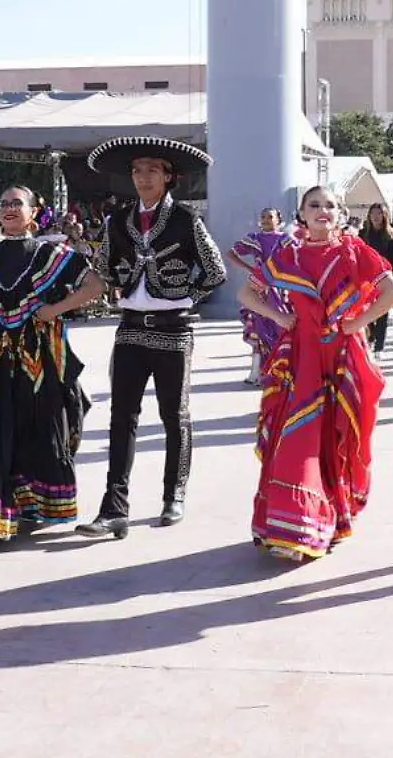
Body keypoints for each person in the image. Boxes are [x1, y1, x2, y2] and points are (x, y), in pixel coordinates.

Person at [0, 187, 106, 541]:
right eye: (4, 204)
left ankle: (32, 505)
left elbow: (94, 285)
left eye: (17, 203)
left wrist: (54, 310)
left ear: (34, 211)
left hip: (38, 358)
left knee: (37, 426)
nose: (10, 209)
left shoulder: (52, 254)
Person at [240, 186, 393, 562]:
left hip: (343, 356)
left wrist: (357, 322)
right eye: (314, 205)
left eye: (329, 205)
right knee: (299, 434)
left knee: (337, 436)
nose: (322, 210)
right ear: (301, 213)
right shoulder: (287, 254)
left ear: (340, 212)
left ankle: (327, 517)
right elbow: (249, 294)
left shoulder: (354, 251)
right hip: (302, 356)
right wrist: (280, 317)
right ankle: (295, 523)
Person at [77, 136, 225, 538]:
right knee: (120, 418)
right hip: (129, 327)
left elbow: (216, 271)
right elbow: (103, 267)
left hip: (173, 329)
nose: (143, 178)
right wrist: (102, 283)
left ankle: (173, 494)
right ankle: (114, 508)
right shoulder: (118, 220)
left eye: (153, 170)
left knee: (174, 417)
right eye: (137, 170)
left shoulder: (187, 220)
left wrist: (187, 298)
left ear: (168, 177)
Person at [230, 208, 292, 382]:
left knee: (279, 327)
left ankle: (278, 370)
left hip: (279, 289)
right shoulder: (254, 238)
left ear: (278, 220)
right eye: (263, 216)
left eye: (270, 217)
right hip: (258, 288)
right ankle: (257, 372)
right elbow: (231, 253)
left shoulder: (285, 240)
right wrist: (250, 269)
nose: (266, 220)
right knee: (258, 327)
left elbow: (298, 257)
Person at [357, 204, 393, 356]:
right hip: (365, 280)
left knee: (382, 312)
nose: (376, 217)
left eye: (379, 213)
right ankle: (371, 338)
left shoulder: (391, 237)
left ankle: (379, 346)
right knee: (366, 311)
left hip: (385, 279)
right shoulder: (362, 234)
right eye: (373, 213)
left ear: (385, 216)